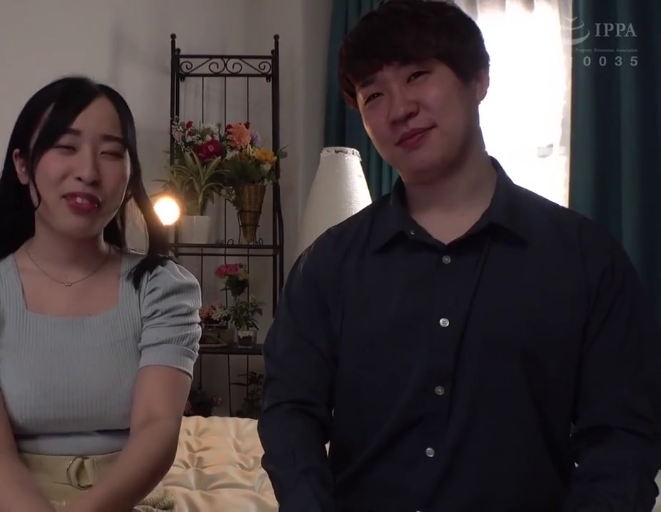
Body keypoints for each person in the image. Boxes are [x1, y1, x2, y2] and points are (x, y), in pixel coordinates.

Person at [257, 1, 661, 510]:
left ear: (479, 79)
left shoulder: (585, 258)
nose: (398, 108)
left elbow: (622, 441)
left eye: (418, 75)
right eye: (373, 94)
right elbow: (290, 412)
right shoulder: (327, 265)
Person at [0, 75, 201, 512]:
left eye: (111, 153)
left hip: (126, 499)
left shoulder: (163, 289)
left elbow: (156, 428)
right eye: (65, 147)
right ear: (23, 164)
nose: (88, 172)